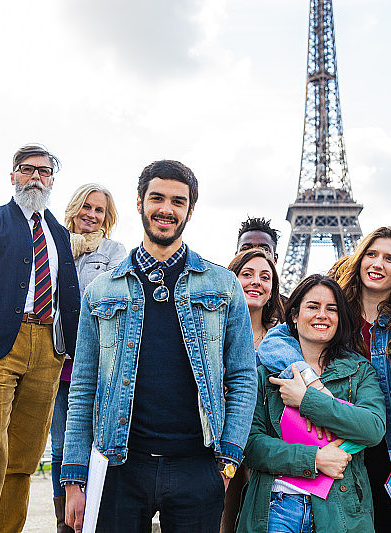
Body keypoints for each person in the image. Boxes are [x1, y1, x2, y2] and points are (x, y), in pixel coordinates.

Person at [61, 160, 258, 533]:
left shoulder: (224, 285)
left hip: (198, 466)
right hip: (120, 465)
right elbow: (83, 387)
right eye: (157, 198)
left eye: (178, 201)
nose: (166, 209)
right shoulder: (101, 291)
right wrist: (74, 477)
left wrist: (228, 462)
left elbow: (244, 378)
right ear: (139, 203)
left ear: (190, 210)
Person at [0, 144, 80, 533]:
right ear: (13, 177)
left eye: (44, 171)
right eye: (27, 169)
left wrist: (73, 352)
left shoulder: (60, 234)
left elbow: (68, 297)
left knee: (24, 458)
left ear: (52, 181)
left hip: (48, 350)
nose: (35, 176)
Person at [238, 274, 387, 533]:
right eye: (313, 306)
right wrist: (314, 459)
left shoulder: (359, 371)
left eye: (332, 309)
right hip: (276, 506)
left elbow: (373, 429)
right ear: (294, 315)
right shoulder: (264, 371)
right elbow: (250, 445)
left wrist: (307, 399)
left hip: (340, 508)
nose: (322, 315)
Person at [331, 226, 391, 533]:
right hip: (338, 443)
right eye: (371, 254)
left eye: (390, 258)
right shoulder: (332, 313)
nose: (378, 264)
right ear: (359, 259)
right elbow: (285, 337)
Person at [49, 184, 127, 532]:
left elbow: (113, 298)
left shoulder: (113, 251)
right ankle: (65, 523)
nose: (91, 215)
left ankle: (95, 516)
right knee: (60, 448)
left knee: (98, 446)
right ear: (74, 208)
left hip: (94, 364)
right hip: (55, 362)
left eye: (99, 210)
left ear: (107, 218)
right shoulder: (53, 246)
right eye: (86, 207)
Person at [219, 248, 284, 533]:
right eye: (247, 274)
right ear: (231, 280)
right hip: (218, 442)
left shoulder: (284, 342)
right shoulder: (210, 336)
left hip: (263, 448)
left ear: (272, 290)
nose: (256, 281)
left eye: (265, 277)